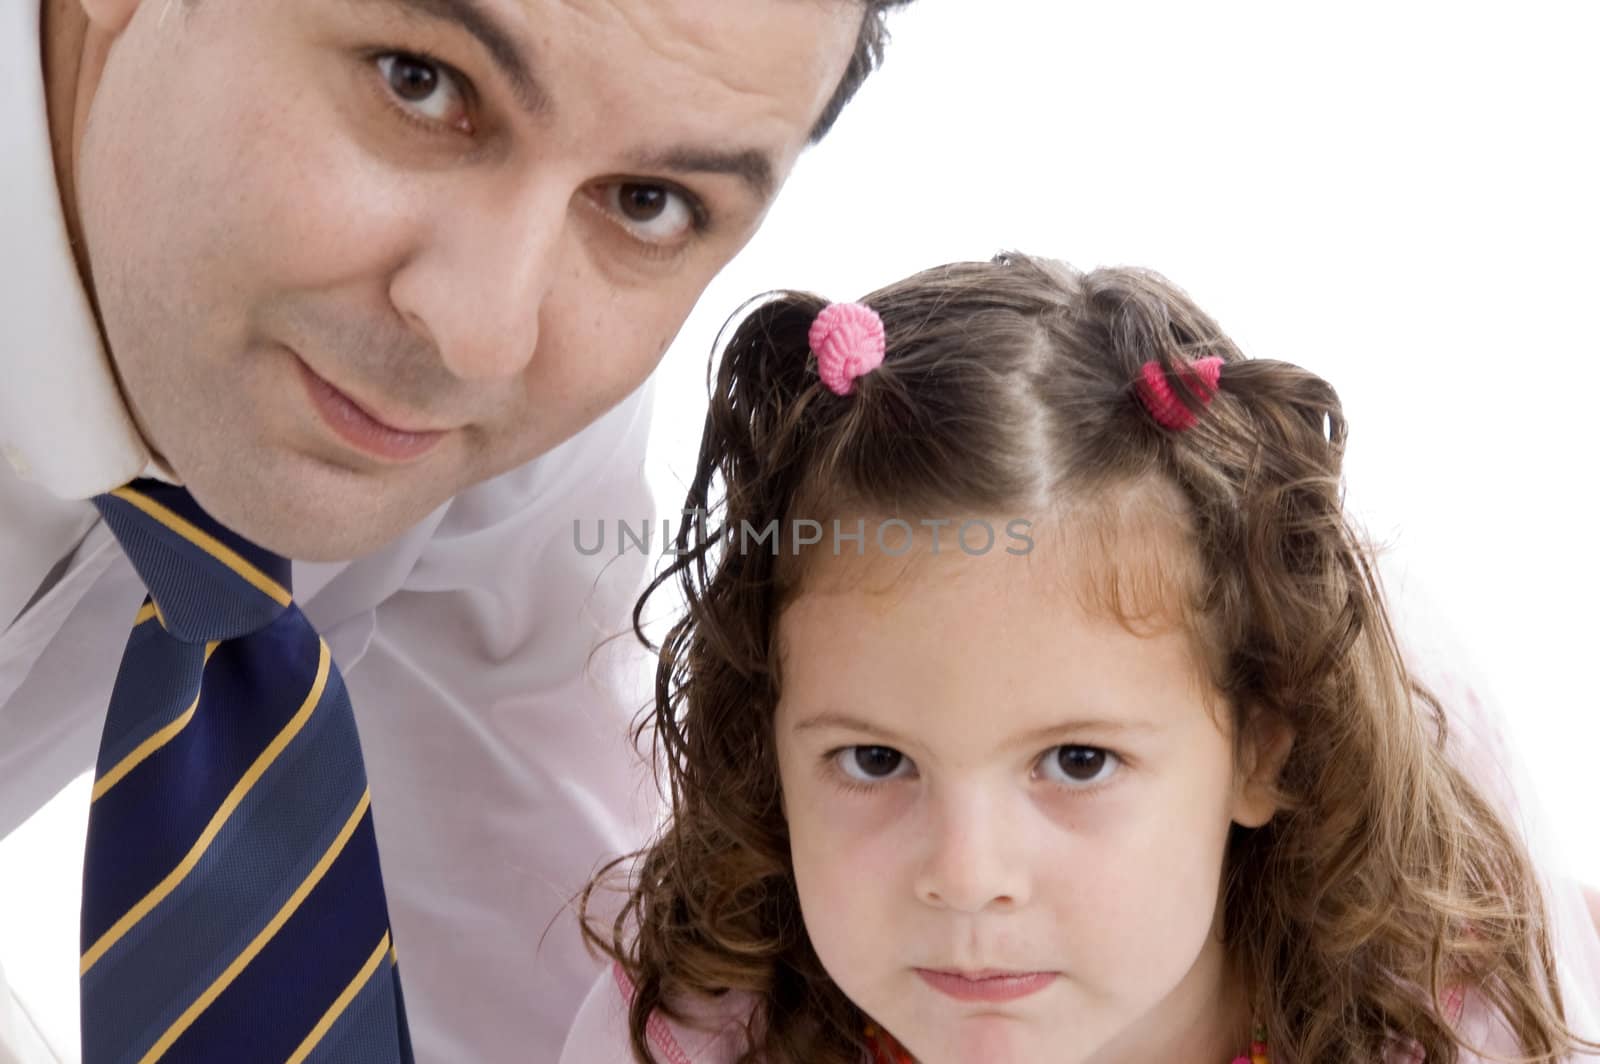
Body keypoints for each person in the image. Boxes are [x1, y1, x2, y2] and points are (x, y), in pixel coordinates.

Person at [0, 0, 912, 1060]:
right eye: (416, 81)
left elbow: (549, 957)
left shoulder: (513, 382)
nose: (482, 332)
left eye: (648, 200)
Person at [561, 254, 1600, 1062]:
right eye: (875, 759)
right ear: (769, 745)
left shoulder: (1446, 1026)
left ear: (1262, 745)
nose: (966, 877)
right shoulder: (694, 1033)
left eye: (1076, 760)